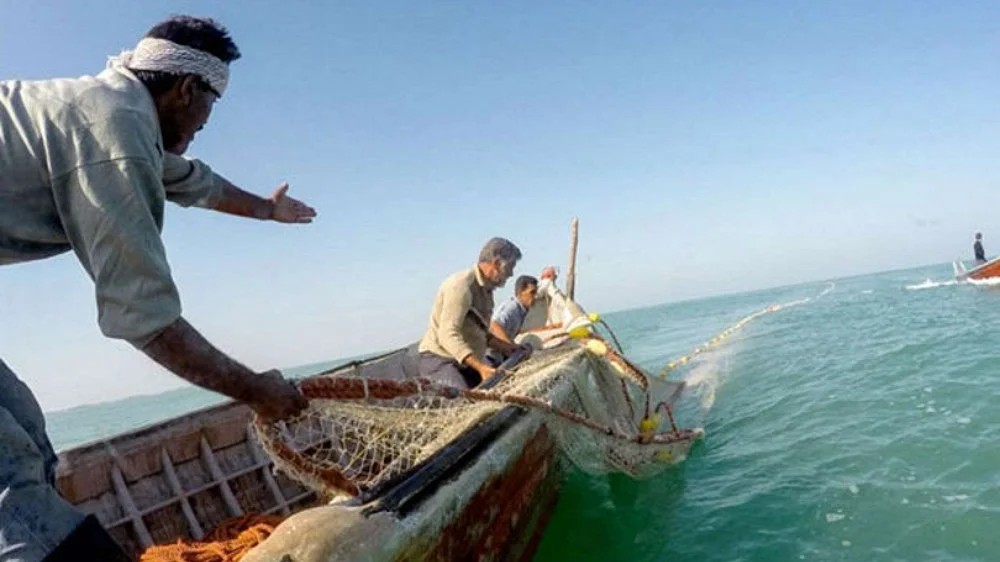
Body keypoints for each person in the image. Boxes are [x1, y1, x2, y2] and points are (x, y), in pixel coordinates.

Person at [0, 16, 314, 561]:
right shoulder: (112, 134)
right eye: (212, 102)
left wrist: (265, 209)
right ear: (187, 88)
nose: (208, 120)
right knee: (9, 484)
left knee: (22, 424)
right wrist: (255, 392)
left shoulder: (114, 109)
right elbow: (144, 316)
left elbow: (194, 180)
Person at [418, 238, 525, 388]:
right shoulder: (460, 286)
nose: (512, 274)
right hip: (440, 360)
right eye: (510, 267)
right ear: (496, 263)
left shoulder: (486, 289)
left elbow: (483, 333)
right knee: (463, 402)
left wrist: (509, 347)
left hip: (466, 362)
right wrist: (481, 368)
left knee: (501, 388)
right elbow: (447, 334)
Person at [485, 275, 539, 365]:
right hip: (490, 358)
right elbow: (494, 326)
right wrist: (512, 347)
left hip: (498, 357)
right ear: (520, 292)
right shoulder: (512, 307)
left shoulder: (521, 311)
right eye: (532, 293)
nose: (535, 297)